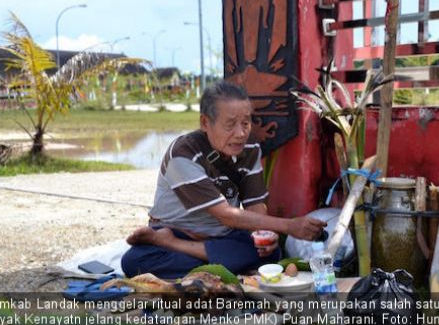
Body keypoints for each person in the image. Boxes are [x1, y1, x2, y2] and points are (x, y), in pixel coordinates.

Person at [122, 81, 326, 279]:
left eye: (245, 123)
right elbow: (226, 215)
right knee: (135, 261)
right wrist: (290, 226)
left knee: (269, 253)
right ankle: (168, 242)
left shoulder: (250, 148)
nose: (240, 133)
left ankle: (185, 252)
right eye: (230, 125)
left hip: (223, 236)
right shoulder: (183, 154)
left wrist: (262, 235)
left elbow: (255, 204)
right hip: (180, 230)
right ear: (205, 123)